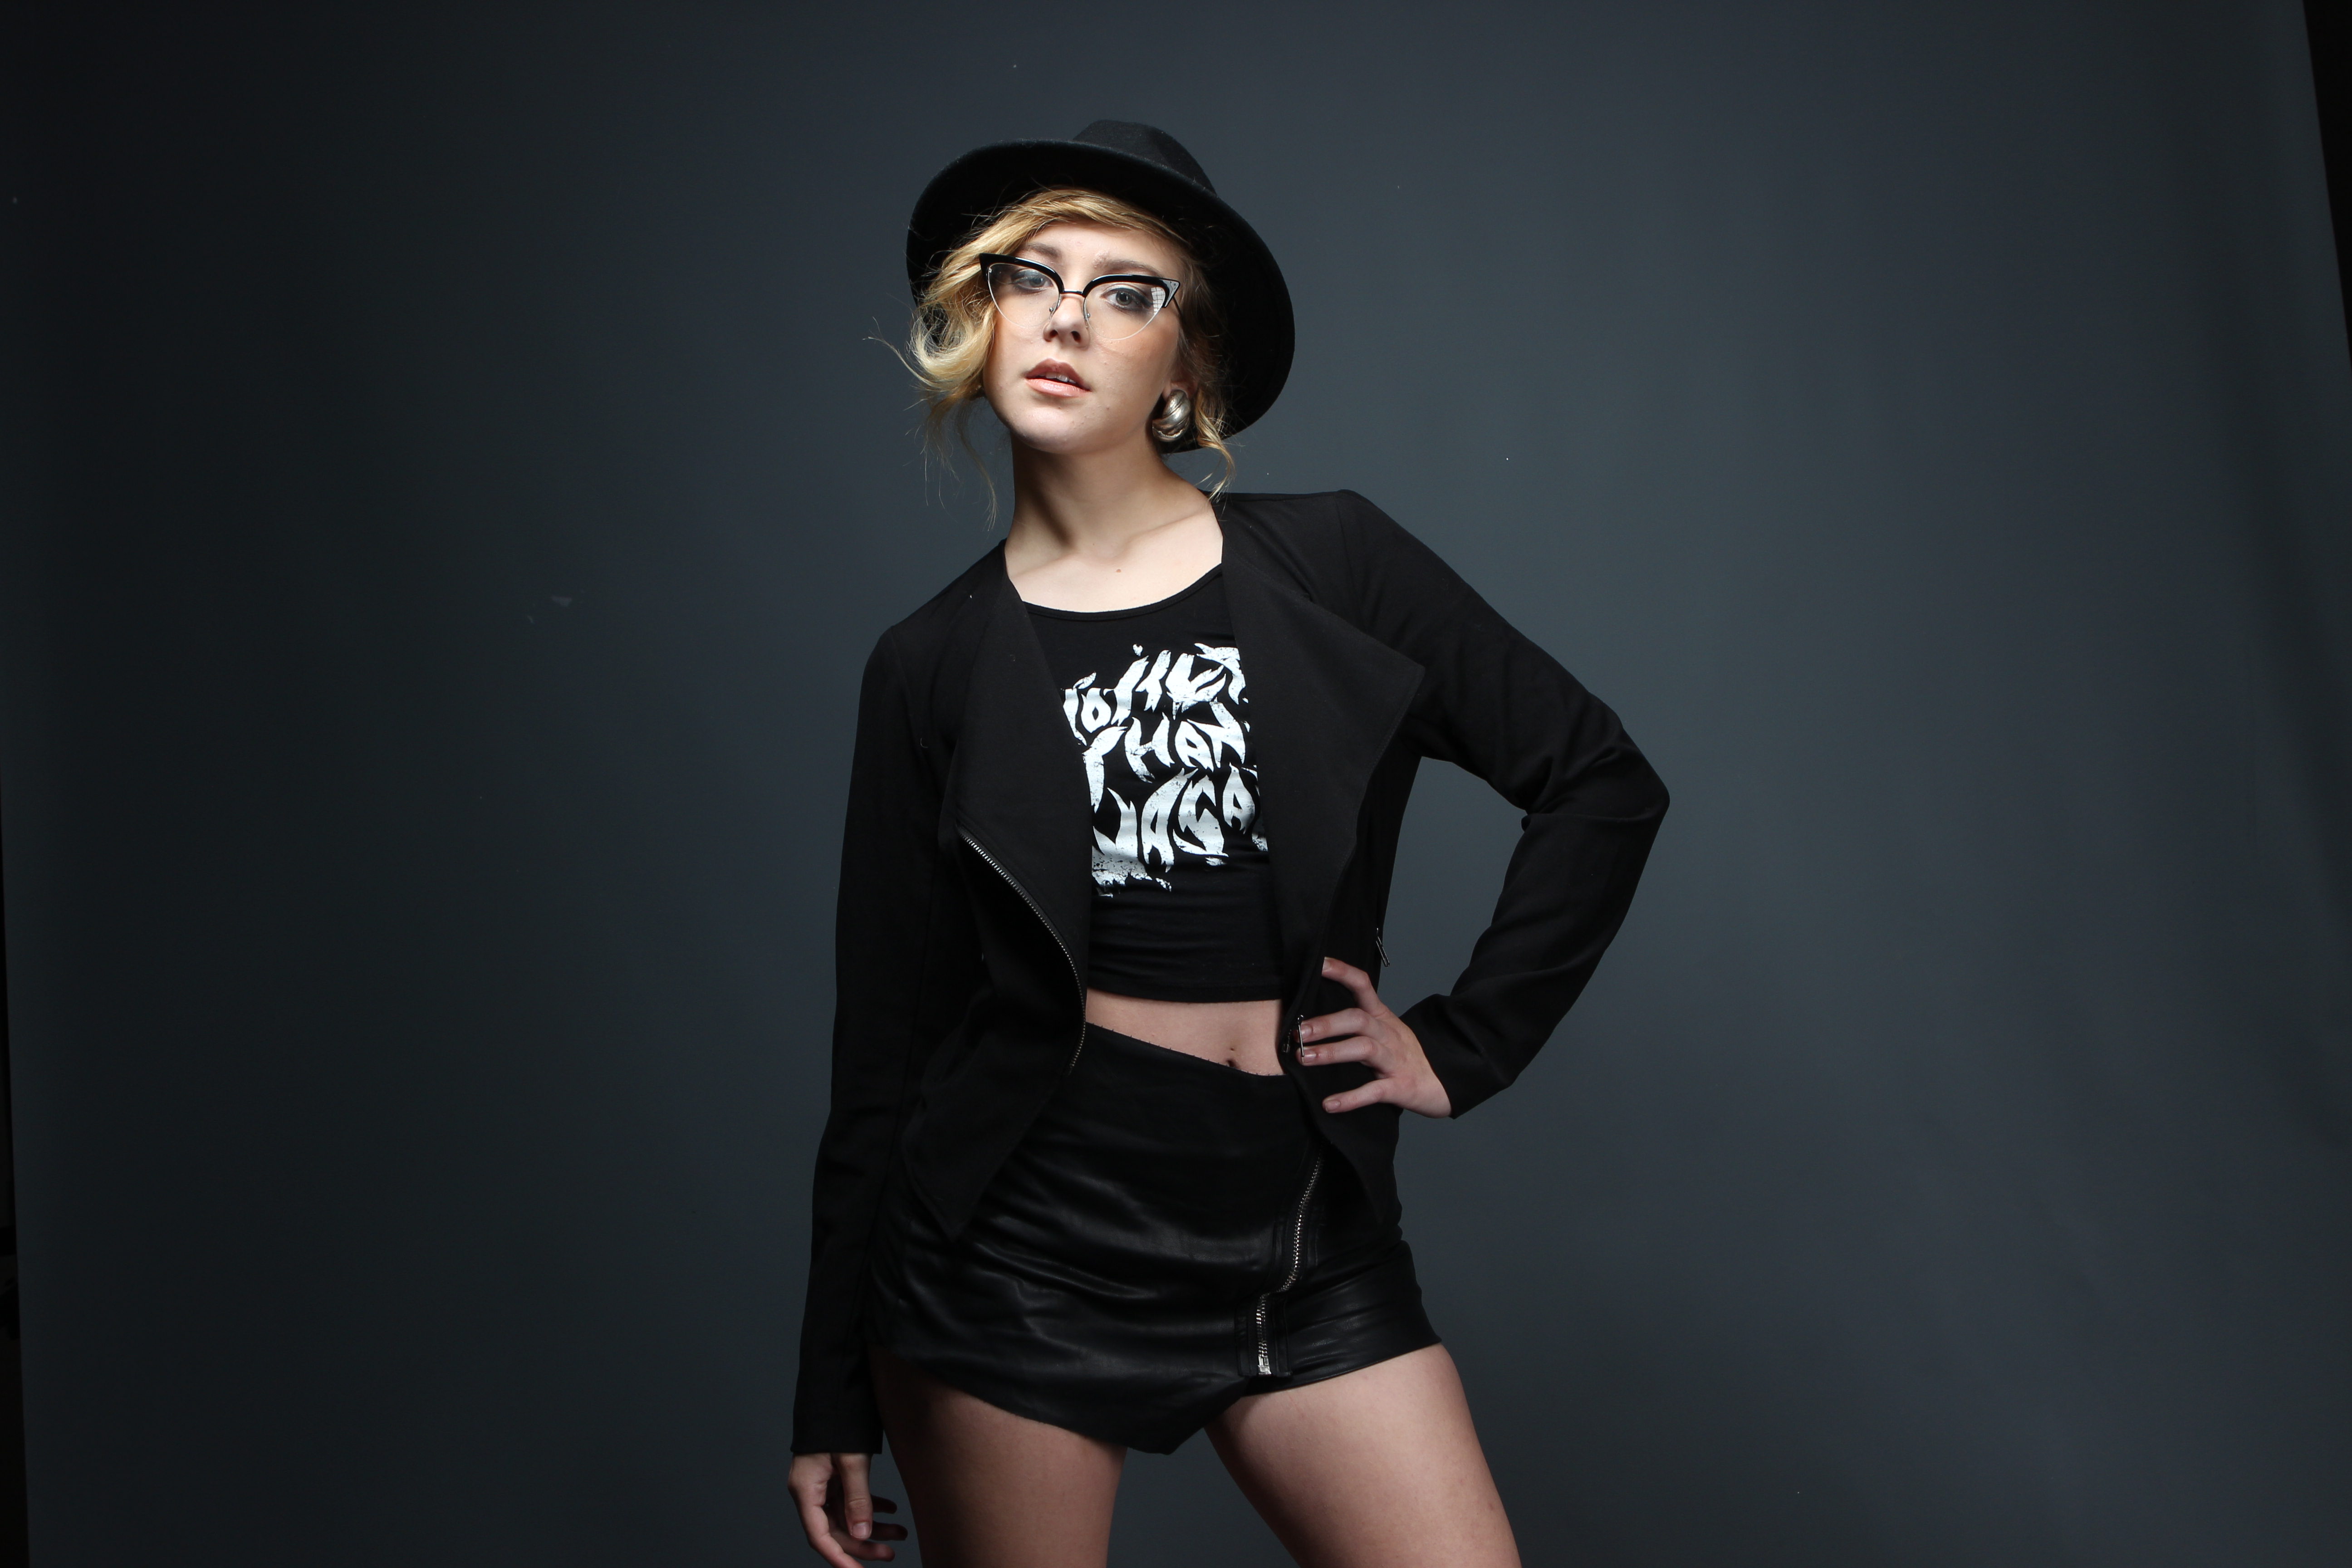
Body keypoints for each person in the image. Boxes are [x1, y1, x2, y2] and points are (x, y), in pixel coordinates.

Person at [787, 121, 1668, 1568]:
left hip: (1305, 1230)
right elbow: (885, 1044)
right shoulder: (930, 663)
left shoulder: (1333, 564)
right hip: (1021, 1249)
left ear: (1187, 366)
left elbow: (1599, 781)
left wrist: (1466, 1044)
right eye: (1029, 276)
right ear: (979, 317)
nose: (1067, 317)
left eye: (1127, 290)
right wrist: (829, 1388)